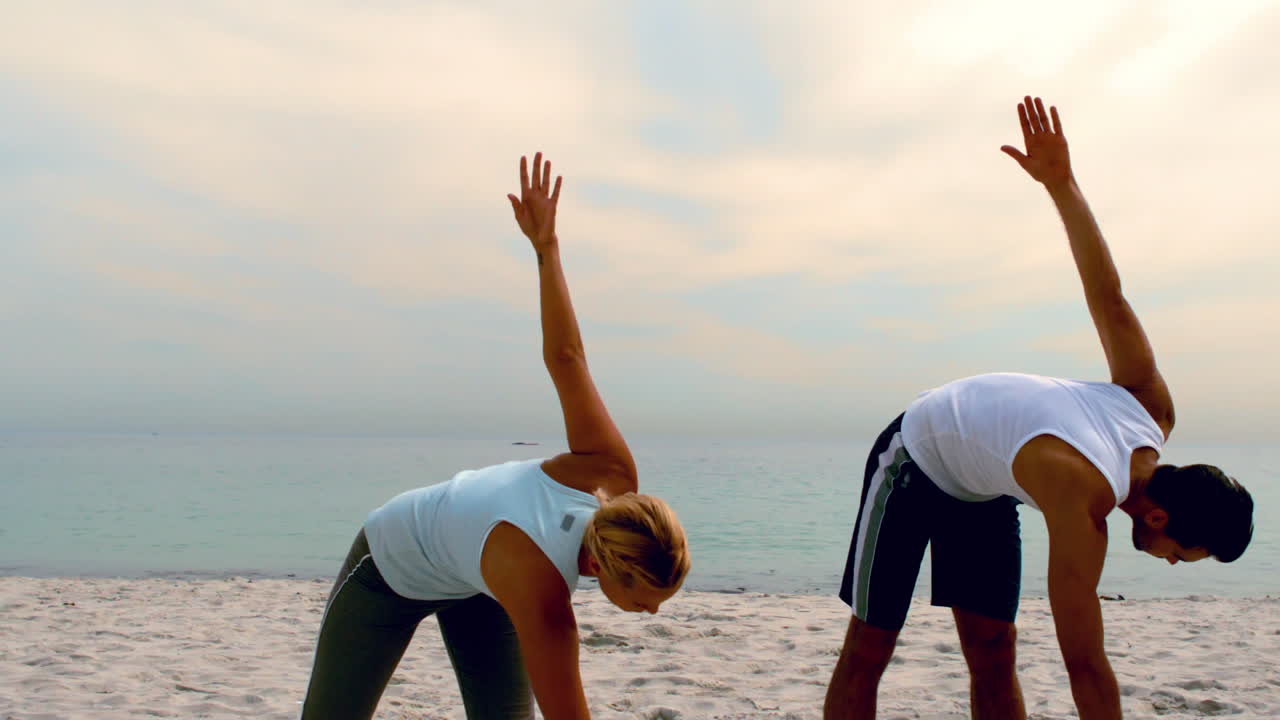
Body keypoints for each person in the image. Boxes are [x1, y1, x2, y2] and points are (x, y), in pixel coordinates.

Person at [824, 97, 1254, 720]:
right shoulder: (1087, 497)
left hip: (985, 484)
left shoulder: (1153, 411)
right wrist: (1063, 185)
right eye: (1184, 555)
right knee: (870, 645)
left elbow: (1110, 300)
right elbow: (1085, 665)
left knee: (995, 647)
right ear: (1158, 518)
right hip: (917, 457)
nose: (1172, 564)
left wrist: (1063, 183)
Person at [300, 153, 691, 720]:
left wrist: (549, 248)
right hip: (391, 565)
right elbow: (567, 357)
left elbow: (567, 359)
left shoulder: (611, 474)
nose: (651, 614)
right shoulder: (542, 590)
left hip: (479, 585)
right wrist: (545, 248)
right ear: (605, 569)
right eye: (642, 601)